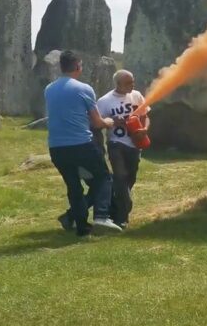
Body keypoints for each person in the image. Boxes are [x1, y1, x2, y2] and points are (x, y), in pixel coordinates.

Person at [46, 50, 122, 236]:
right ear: (78, 66)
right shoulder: (84, 88)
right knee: (104, 177)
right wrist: (110, 122)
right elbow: (97, 122)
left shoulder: (49, 89)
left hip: (56, 147)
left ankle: (81, 227)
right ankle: (102, 216)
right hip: (81, 144)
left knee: (74, 186)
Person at [96, 70, 149, 228]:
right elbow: (98, 122)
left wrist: (145, 129)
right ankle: (123, 216)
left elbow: (145, 116)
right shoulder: (105, 101)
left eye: (133, 81)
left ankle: (115, 211)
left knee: (129, 180)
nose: (132, 85)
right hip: (116, 143)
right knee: (120, 177)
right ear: (118, 84)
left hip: (135, 144)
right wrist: (112, 120)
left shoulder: (137, 96)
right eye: (128, 83)